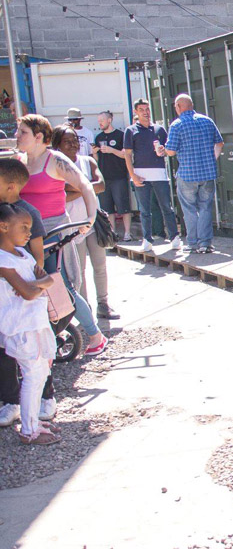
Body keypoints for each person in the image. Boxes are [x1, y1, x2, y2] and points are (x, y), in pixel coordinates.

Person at [17, 114, 108, 357]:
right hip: (25, 234)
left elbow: (86, 185)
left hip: (53, 231)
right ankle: (47, 336)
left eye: (23, 132)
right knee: (32, 285)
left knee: (62, 286)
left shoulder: (54, 160)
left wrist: (90, 218)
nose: (17, 136)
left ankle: (95, 336)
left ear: (38, 136)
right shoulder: (19, 161)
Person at [0, 158, 57, 428]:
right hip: (6, 304)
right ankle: (12, 402)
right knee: (5, 356)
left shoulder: (27, 213)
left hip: (26, 307)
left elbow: (37, 260)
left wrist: (38, 282)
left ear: (10, 186)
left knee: (37, 359)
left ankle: (46, 398)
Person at [56, 126, 118, 320]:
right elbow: (61, 196)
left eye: (75, 140)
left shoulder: (87, 161)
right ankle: (85, 311)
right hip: (71, 227)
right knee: (78, 271)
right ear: (57, 145)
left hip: (93, 224)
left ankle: (103, 304)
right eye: (67, 141)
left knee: (100, 266)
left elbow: (101, 185)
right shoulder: (56, 167)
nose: (73, 144)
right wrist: (86, 188)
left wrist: (76, 188)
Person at [162, 94, 224, 254]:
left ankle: (193, 243)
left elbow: (171, 151)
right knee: (205, 207)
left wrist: (162, 149)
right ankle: (205, 243)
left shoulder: (177, 125)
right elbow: (219, 143)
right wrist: (212, 159)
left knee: (189, 209)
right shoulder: (207, 121)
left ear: (178, 107)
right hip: (208, 173)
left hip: (187, 174)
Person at [123, 99, 182, 253]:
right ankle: (147, 239)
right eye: (141, 109)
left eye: (147, 109)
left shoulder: (159, 129)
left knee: (166, 207)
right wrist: (133, 175)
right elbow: (127, 155)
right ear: (136, 112)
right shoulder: (130, 130)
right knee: (144, 210)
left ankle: (174, 237)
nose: (145, 112)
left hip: (159, 174)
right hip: (140, 175)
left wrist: (163, 151)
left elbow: (169, 150)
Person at [94, 111, 133, 241]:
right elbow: (97, 160)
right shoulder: (98, 138)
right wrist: (94, 153)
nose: (100, 123)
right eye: (99, 121)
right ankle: (112, 234)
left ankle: (127, 233)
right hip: (104, 178)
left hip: (119, 176)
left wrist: (112, 150)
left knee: (123, 206)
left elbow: (125, 155)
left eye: (102, 120)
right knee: (107, 208)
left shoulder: (120, 135)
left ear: (109, 120)